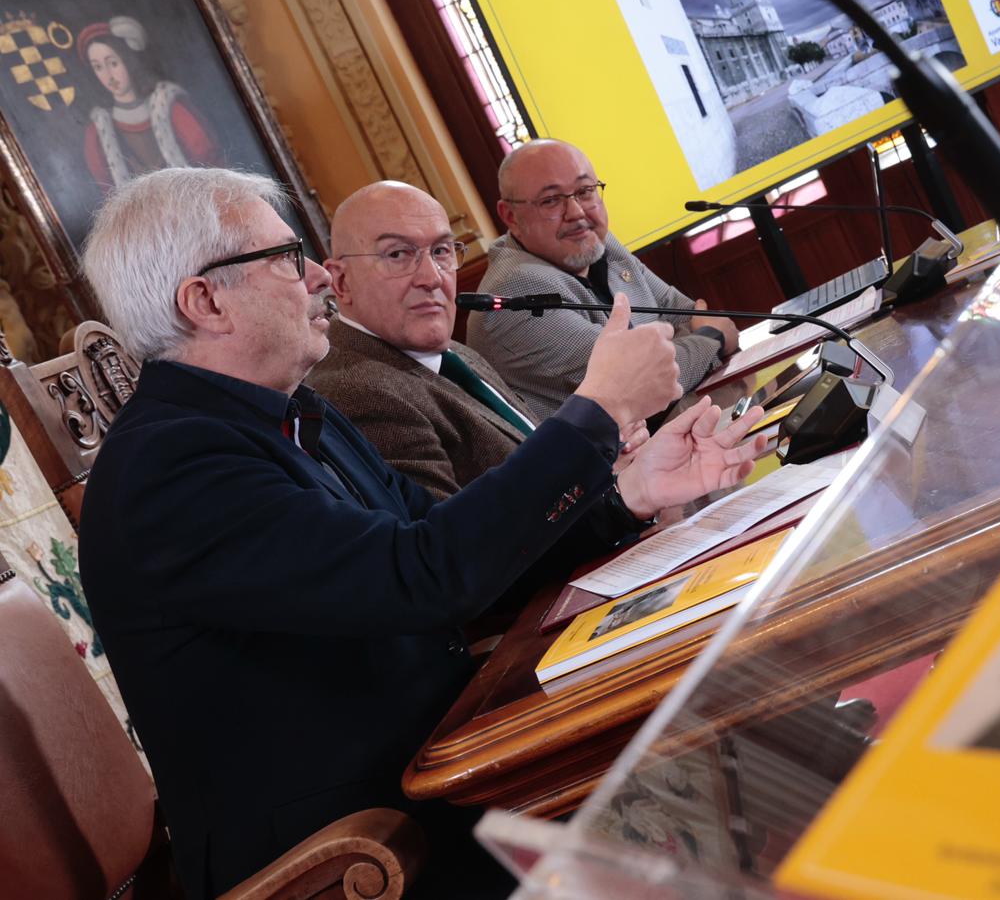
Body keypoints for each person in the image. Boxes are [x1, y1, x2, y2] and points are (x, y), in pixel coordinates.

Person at [75, 168, 752, 899]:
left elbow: (442, 541)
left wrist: (629, 493)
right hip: (358, 854)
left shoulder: (287, 412)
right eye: (287, 258)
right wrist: (596, 409)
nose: (316, 277)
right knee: (723, 765)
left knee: (726, 727)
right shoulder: (169, 467)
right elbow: (423, 578)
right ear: (205, 301)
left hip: (442, 767)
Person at [310, 179, 760, 516]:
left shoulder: (455, 355)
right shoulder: (358, 390)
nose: (432, 277)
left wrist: (610, 461)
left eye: (442, 251)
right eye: (397, 255)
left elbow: (534, 465)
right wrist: (604, 473)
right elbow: (460, 552)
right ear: (341, 282)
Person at [467, 138, 741, 421]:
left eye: (585, 191)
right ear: (511, 217)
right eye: (550, 201)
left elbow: (685, 312)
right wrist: (712, 337)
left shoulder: (597, 242)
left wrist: (685, 346)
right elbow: (646, 378)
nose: (576, 212)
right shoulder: (513, 293)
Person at [78, 15, 224, 190]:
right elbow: (106, 190)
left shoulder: (169, 108)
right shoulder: (97, 132)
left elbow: (211, 164)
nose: (108, 76)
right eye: (98, 67)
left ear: (128, 60)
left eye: (113, 63)